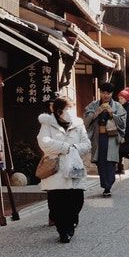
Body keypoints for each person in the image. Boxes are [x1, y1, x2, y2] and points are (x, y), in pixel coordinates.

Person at [37, 97, 91, 243]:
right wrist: (63, 148)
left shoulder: (78, 124)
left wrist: (73, 148)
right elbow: (44, 142)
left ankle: (71, 223)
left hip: (74, 166)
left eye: (72, 108)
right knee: (56, 203)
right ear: (59, 111)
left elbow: (86, 144)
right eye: (68, 108)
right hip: (56, 169)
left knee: (77, 200)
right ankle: (62, 230)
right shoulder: (47, 123)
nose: (71, 111)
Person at [83, 82, 126, 197]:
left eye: (108, 93)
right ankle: (105, 185)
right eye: (103, 92)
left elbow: (122, 124)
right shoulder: (93, 105)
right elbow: (86, 122)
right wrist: (96, 113)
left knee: (110, 162)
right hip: (98, 137)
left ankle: (108, 186)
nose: (105, 95)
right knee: (101, 161)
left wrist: (113, 114)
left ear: (112, 94)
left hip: (111, 137)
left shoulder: (118, 106)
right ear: (100, 92)